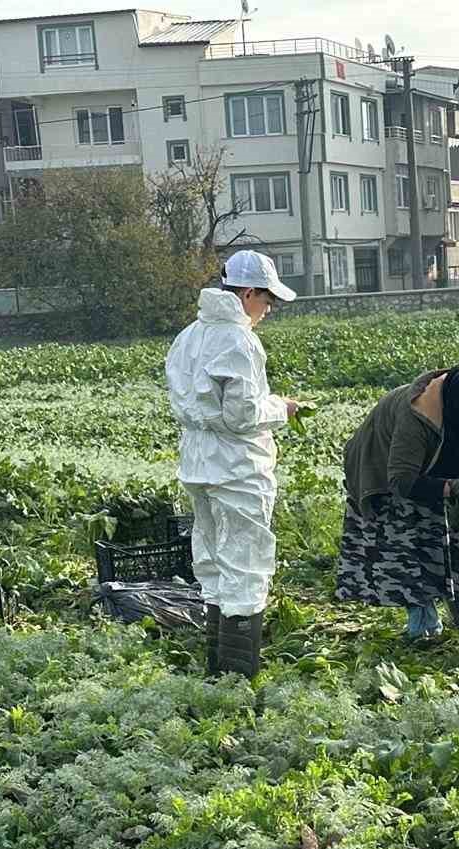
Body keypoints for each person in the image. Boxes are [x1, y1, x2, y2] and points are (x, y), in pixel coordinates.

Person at [166, 250, 298, 680]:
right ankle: (238, 681)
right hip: (237, 467)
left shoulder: (188, 336)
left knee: (212, 562)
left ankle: (215, 671)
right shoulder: (239, 339)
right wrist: (283, 407)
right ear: (247, 293)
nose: (268, 309)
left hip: (197, 462)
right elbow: (242, 415)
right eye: (267, 300)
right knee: (246, 565)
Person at [336, 366, 459, 639]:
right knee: (408, 545)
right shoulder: (416, 416)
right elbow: (402, 481)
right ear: (457, 409)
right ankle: (423, 622)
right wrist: (452, 486)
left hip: (427, 468)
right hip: (385, 471)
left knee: (449, 537)